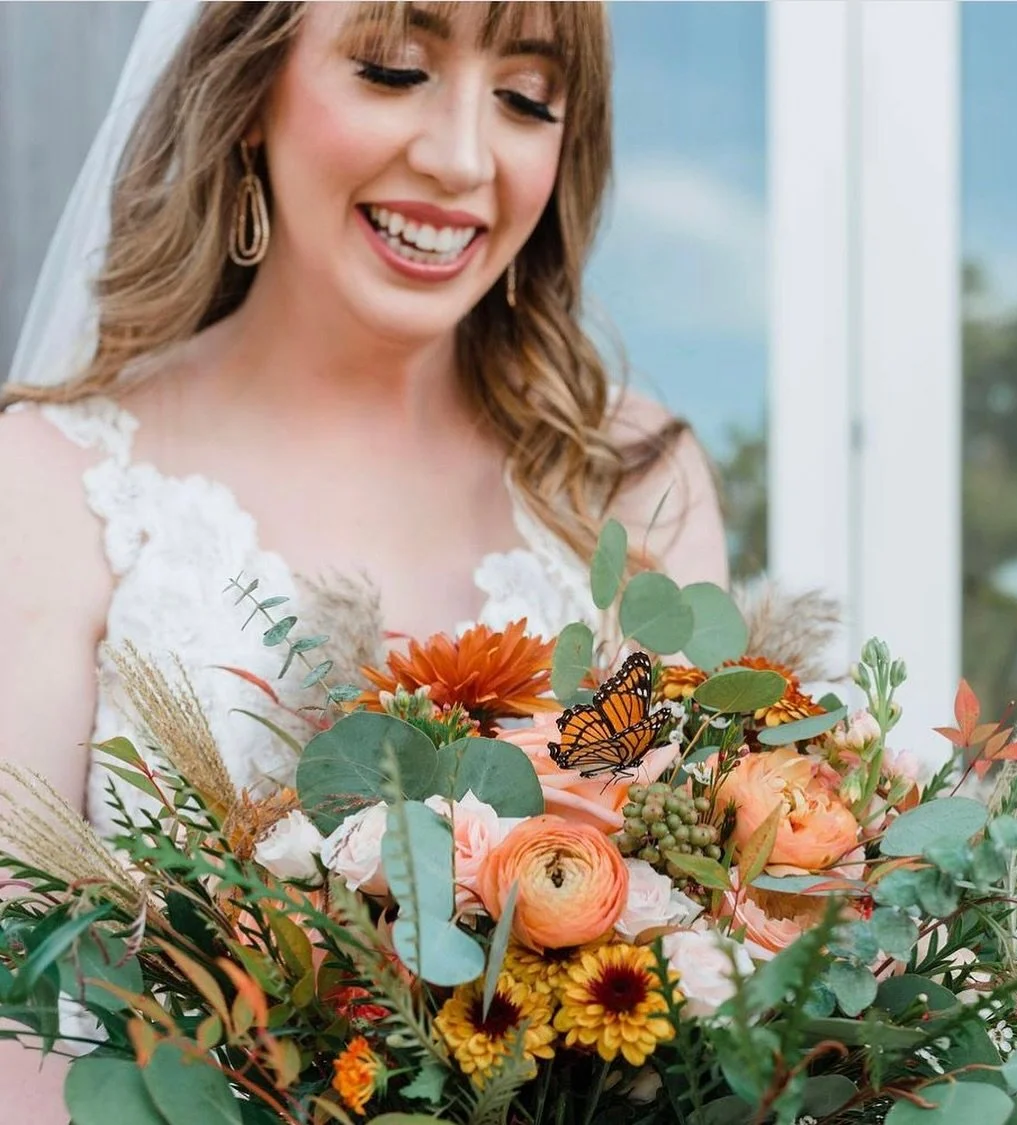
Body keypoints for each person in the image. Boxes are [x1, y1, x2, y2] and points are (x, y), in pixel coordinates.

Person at [0, 2, 727, 1116]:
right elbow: (19, 1031)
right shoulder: (47, 488)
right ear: (248, 95)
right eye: (394, 71)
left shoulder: (631, 486)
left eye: (527, 100)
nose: (461, 158)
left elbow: (702, 954)